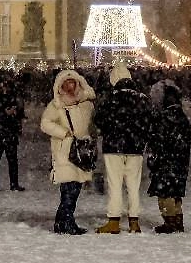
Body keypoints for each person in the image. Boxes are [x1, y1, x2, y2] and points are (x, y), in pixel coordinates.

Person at [93, 63, 151, 234]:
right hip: (135, 147)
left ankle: (114, 220)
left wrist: (110, 130)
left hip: (113, 147)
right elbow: (149, 121)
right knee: (134, 185)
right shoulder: (142, 98)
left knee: (115, 184)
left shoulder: (110, 98)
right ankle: (134, 221)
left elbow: (99, 121)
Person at [40, 69, 96, 235]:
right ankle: (67, 222)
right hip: (64, 150)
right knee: (69, 188)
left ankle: (62, 221)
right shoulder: (56, 105)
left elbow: (93, 123)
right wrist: (62, 133)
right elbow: (45, 123)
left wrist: (91, 136)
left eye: (73, 82)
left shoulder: (86, 103)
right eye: (67, 83)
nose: (70, 86)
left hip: (82, 150)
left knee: (75, 187)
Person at [147, 79, 191, 234]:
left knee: (165, 194)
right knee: (176, 193)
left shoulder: (163, 118)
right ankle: (178, 220)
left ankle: (169, 221)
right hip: (180, 161)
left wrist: (154, 158)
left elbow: (157, 141)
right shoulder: (183, 118)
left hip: (165, 162)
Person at [0, 76, 26, 191]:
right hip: (1, 133)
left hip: (6, 133)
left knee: (8, 160)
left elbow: (19, 115)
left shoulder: (9, 99)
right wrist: (5, 114)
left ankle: (11, 183)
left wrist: (15, 114)